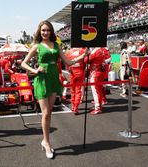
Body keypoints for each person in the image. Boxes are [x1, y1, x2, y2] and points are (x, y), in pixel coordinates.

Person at [21, 20, 88, 159]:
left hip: (53, 79)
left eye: (48, 30)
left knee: (49, 112)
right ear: (39, 32)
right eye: (43, 30)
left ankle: (45, 140)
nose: (45, 32)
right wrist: (34, 70)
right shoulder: (37, 46)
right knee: (45, 113)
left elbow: (67, 62)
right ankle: (46, 142)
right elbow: (23, 63)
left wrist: (82, 56)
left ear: (51, 31)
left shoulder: (56, 45)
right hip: (42, 79)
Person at [84, 47, 106, 115]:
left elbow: (86, 60)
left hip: (95, 72)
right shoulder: (101, 50)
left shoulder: (95, 51)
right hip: (100, 72)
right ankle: (98, 106)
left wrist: (86, 54)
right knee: (99, 91)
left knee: (96, 91)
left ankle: (98, 108)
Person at [65, 47, 87, 114]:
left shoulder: (68, 51)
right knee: (78, 90)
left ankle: (73, 106)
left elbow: (66, 63)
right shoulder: (82, 50)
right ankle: (76, 108)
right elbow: (85, 61)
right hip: (80, 71)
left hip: (72, 72)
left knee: (72, 90)